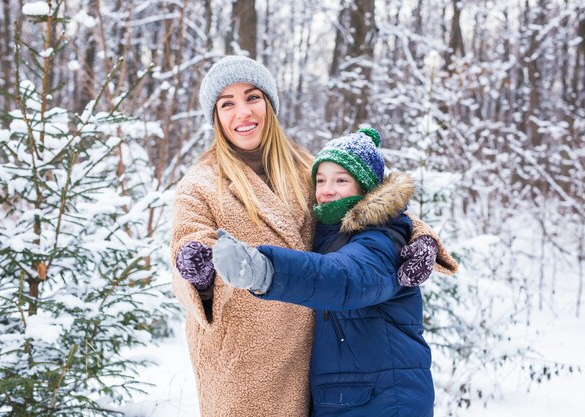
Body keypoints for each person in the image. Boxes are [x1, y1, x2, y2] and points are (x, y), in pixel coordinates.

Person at [170, 55, 456, 417]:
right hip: (244, 365)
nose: (242, 112)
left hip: (316, 358)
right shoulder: (200, 184)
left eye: (252, 97)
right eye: (227, 104)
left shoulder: (305, 168)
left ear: (270, 105)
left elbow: (365, 208)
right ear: (215, 117)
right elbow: (186, 244)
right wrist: (196, 264)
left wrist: (420, 236)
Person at [212, 127, 458, 417]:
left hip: (383, 400)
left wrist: (265, 269)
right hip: (351, 396)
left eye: (341, 180)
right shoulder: (329, 233)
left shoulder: (378, 238)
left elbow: (346, 277)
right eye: (320, 180)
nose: (327, 190)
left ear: (366, 189)